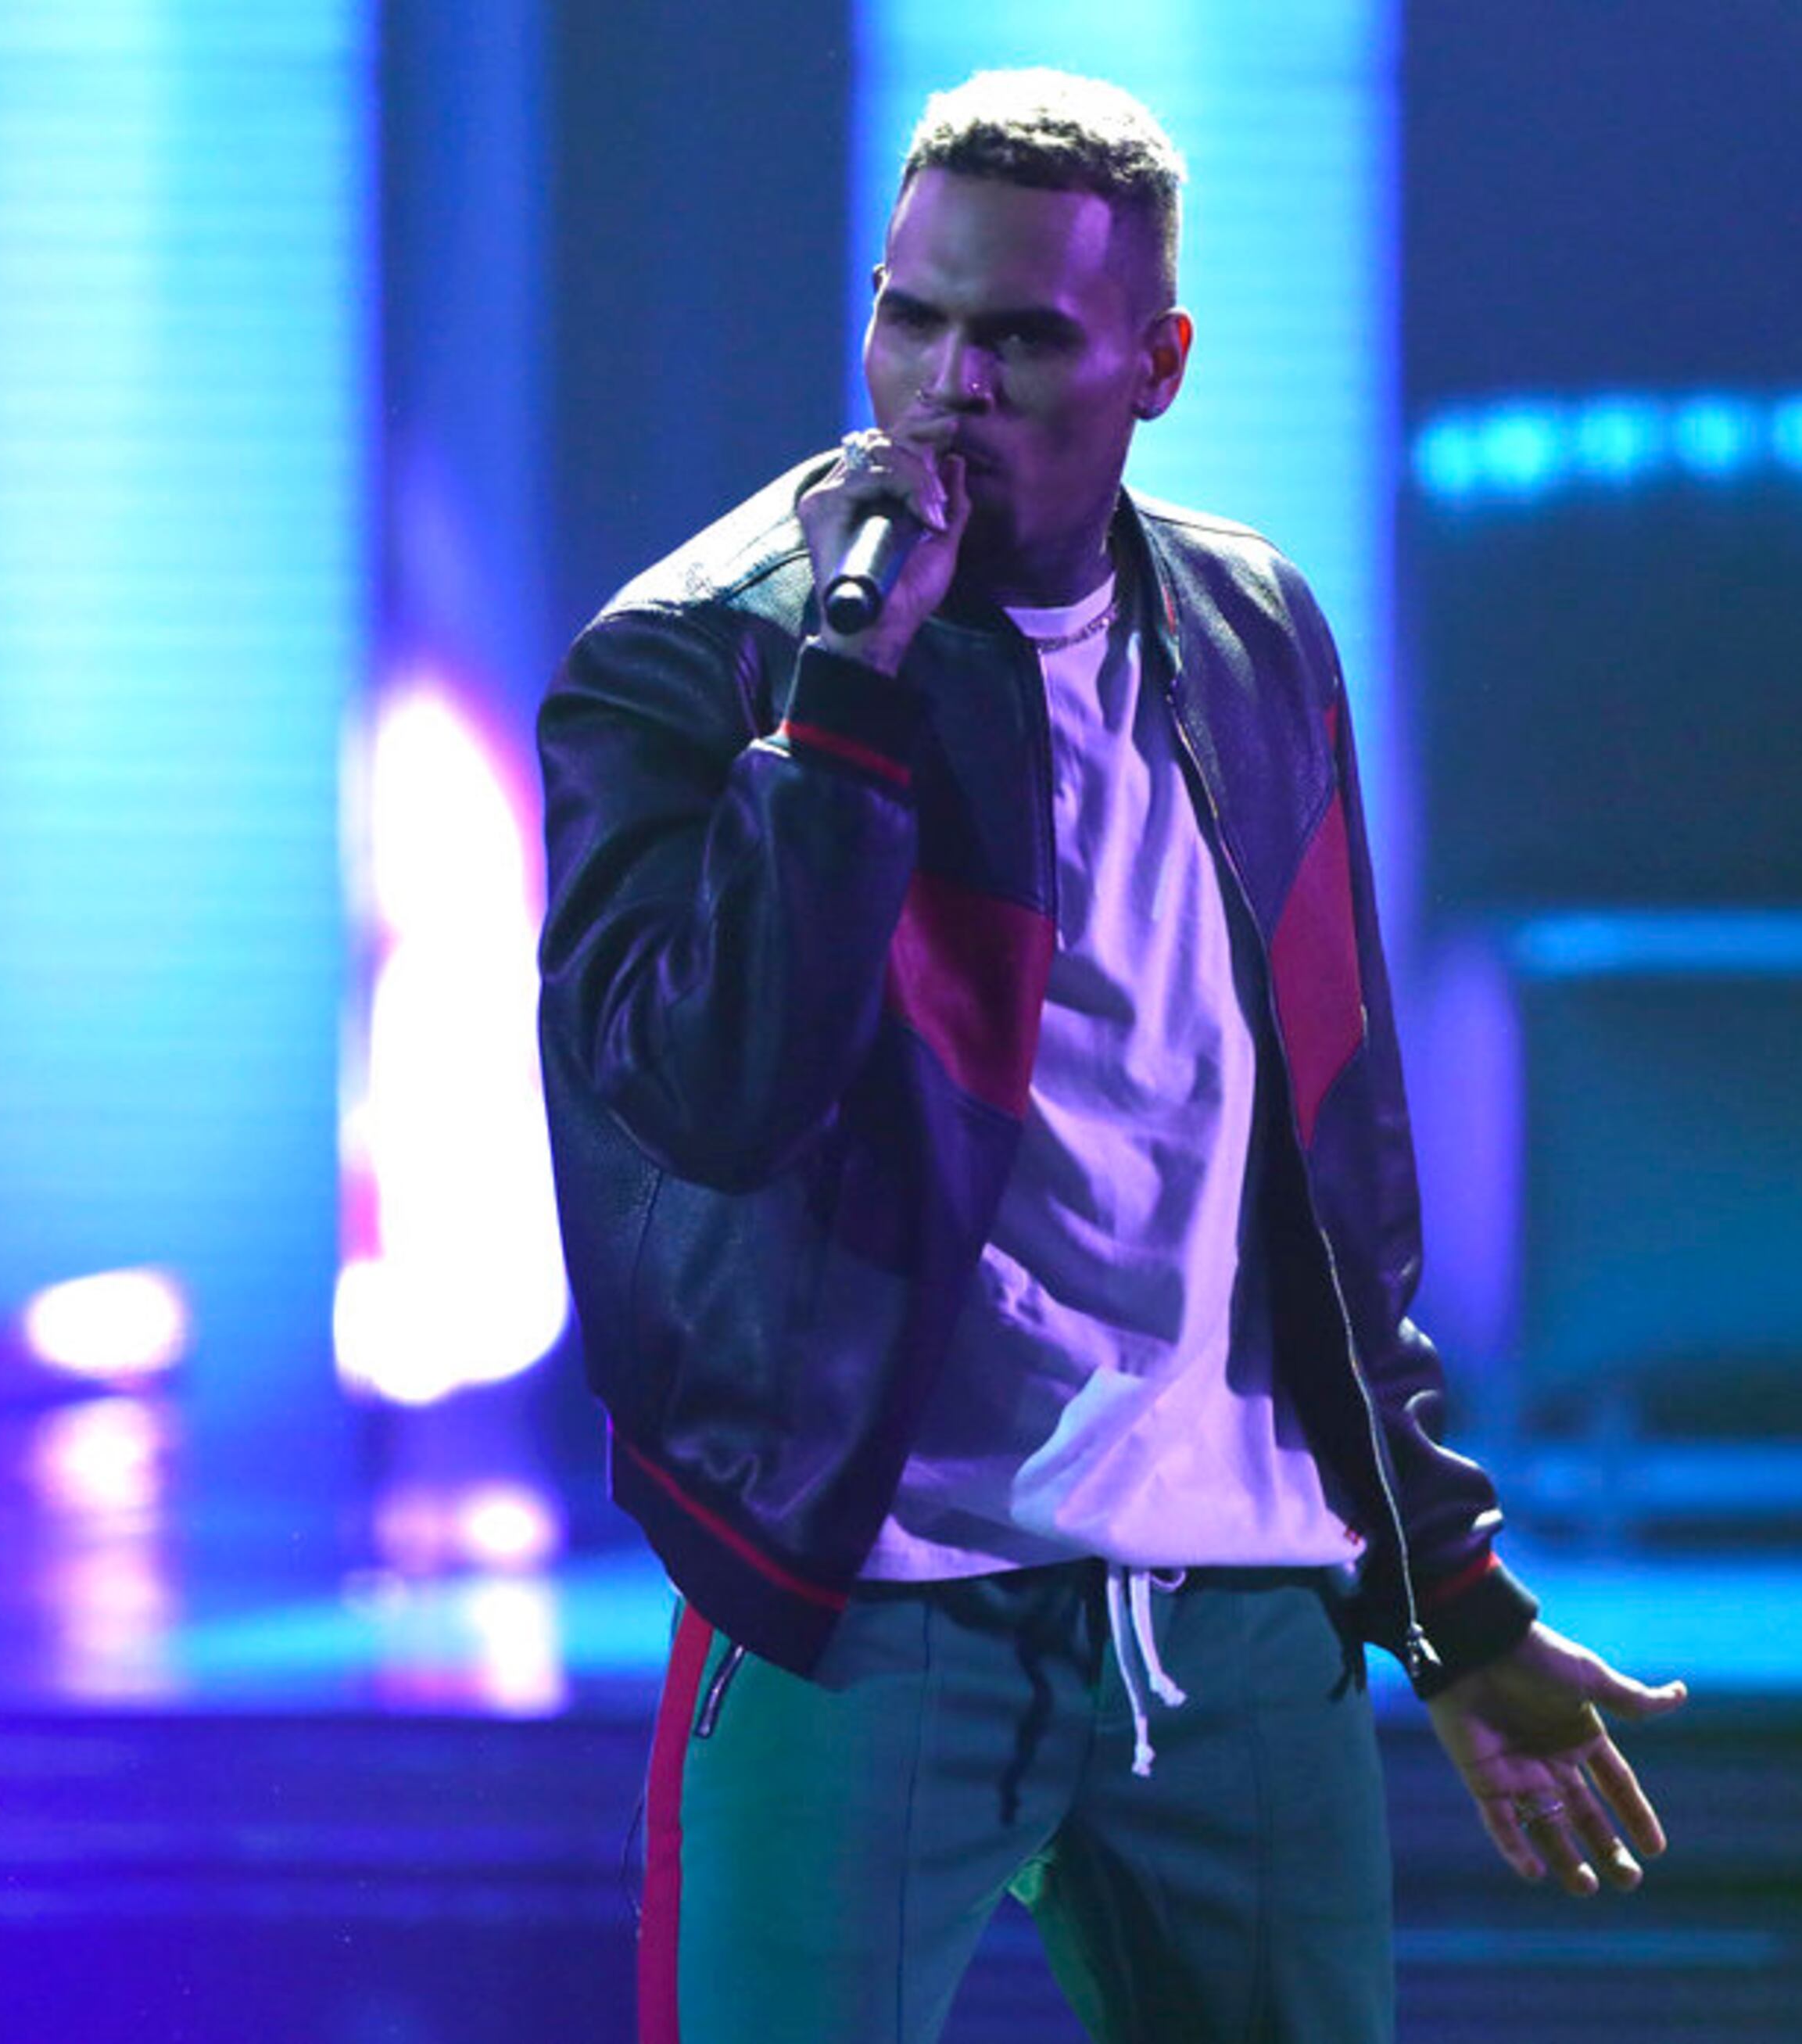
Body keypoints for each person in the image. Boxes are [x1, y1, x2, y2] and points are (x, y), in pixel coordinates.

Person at [535, 67, 1684, 2044]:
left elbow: (1327, 1163)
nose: (948, 382)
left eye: (1021, 336)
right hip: (869, 1589)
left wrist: (1449, 1589)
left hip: (1233, 1599)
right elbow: (711, 1087)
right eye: (913, 316)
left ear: (1153, 363)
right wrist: (845, 702)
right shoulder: (696, 655)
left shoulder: (1253, 636)